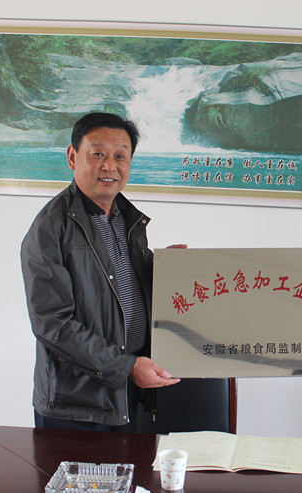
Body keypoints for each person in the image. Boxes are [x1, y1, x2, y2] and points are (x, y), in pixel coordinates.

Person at [21, 112, 180, 432]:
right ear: (72, 156)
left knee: (134, 468)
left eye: (120, 156)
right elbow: (53, 324)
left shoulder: (127, 219)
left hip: (129, 391)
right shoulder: (51, 227)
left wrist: (163, 269)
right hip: (77, 405)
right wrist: (126, 366)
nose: (110, 166)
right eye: (98, 154)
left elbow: (117, 284)